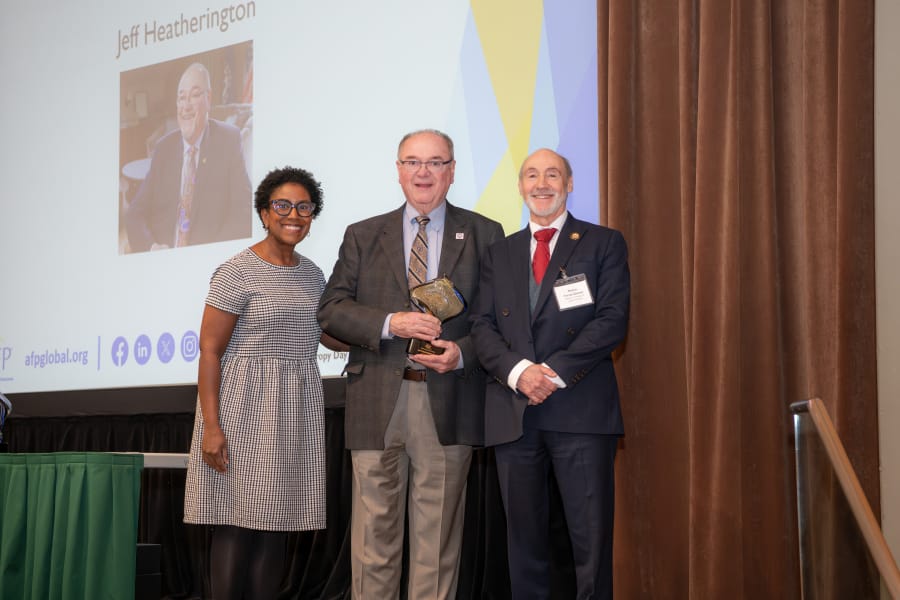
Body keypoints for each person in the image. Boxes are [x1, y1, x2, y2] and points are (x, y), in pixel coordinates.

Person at [317, 129, 504, 599]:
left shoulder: (484, 233)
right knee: (372, 540)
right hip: (376, 396)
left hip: (449, 399)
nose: (424, 172)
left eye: (436, 162)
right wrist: (390, 322)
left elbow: (500, 322)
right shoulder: (363, 234)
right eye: (413, 162)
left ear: (453, 171)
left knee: (436, 541)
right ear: (398, 170)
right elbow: (332, 307)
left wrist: (464, 354)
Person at [470, 148, 630, 599]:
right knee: (524, 547)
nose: (542, 183)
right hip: (514, 415)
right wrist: (520, 373)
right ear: (520, 186)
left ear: (570, 183)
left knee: (590, 546)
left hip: (581, 411)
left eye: (553, 174)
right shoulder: (499, 253)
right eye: (532, 175)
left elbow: (612, 321)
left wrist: (552, 373)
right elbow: (482, 325)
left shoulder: (602, 242)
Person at [184, 166, 345, 599]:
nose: (294, 214)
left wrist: (381, 332)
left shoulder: (313, 275)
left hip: (293, 409)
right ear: (264, 213)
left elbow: (326, 331)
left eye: (304, 207)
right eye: (283, 205)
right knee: (237, 526)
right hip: (242, 411)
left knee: (277, 525)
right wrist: (212, 428)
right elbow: (210, 351)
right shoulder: (236, 271)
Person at [125, 62, 252, 252]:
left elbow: (243, 213)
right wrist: (151, 247)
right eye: (181, 98)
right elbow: (135, 212)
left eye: (194, 95)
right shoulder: (164, 149)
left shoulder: (229, 140)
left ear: (208, 99)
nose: (186, 106)